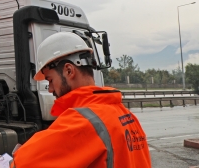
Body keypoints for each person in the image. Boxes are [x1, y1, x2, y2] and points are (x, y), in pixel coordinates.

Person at [11, 32, 152, 168]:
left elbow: (22, 164)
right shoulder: (127, 116)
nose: (50, 89)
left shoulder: (81, 122)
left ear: (69, 71)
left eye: (50, 80)